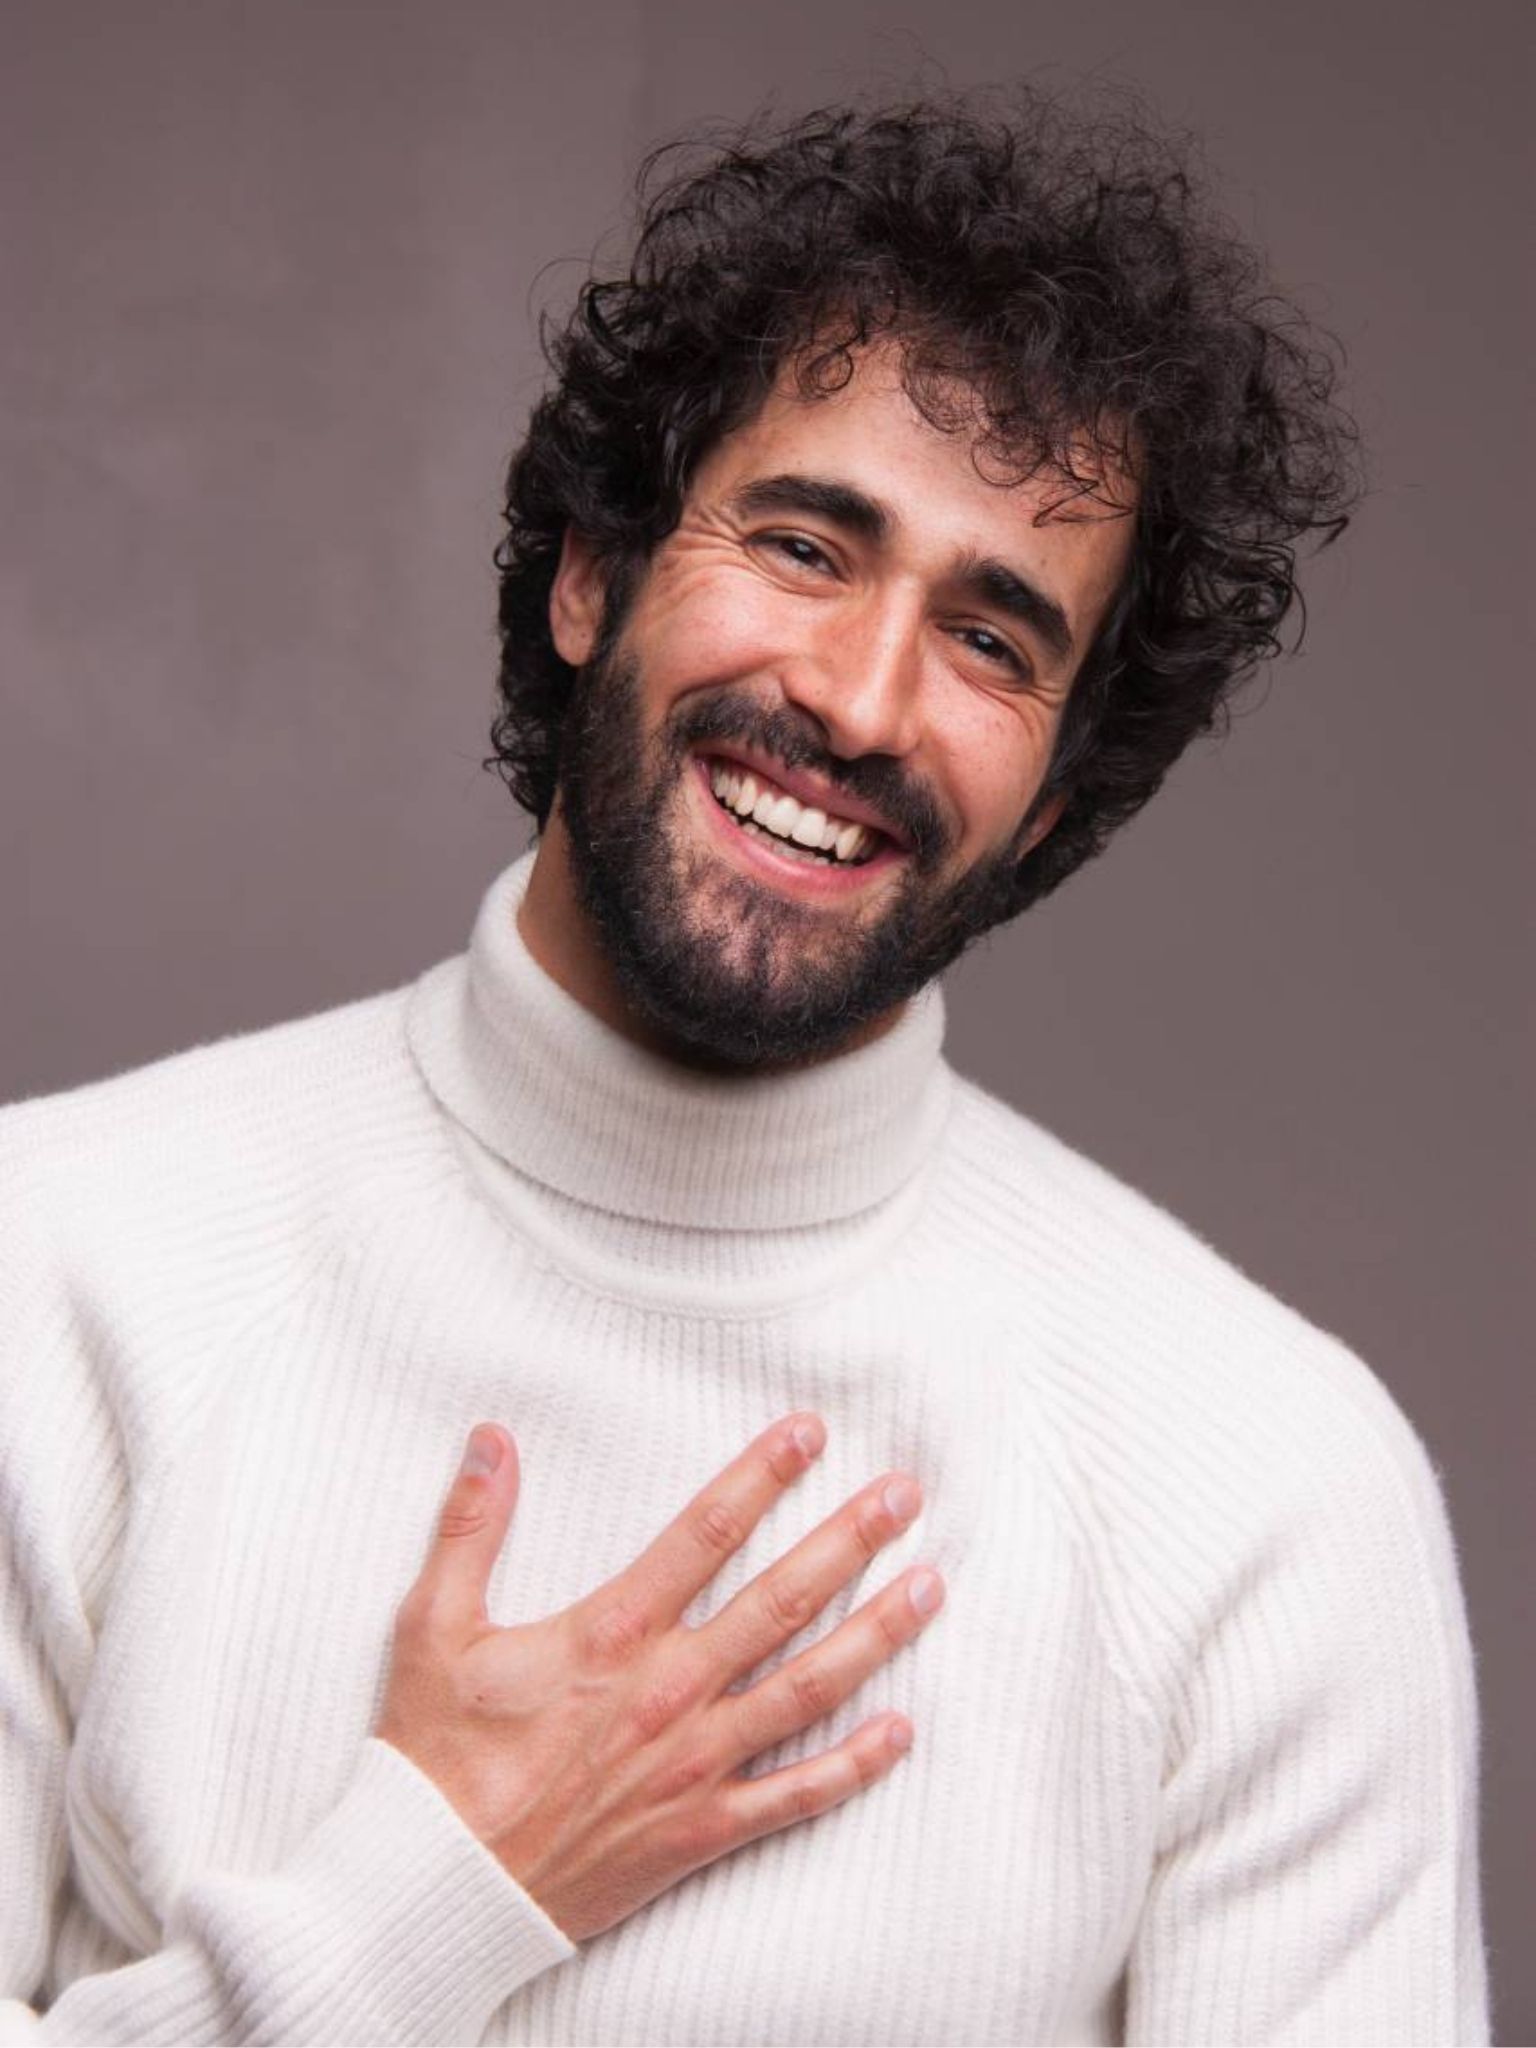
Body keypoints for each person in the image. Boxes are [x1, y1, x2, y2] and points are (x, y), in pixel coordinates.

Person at [0, 89, 1488, 2046]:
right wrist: (419, 1907)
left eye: (991, 636)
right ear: (593, 573)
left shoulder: (1269, 1497)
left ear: (1054, 799)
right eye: (803, 542)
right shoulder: (52, 1269)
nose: (859, 699)